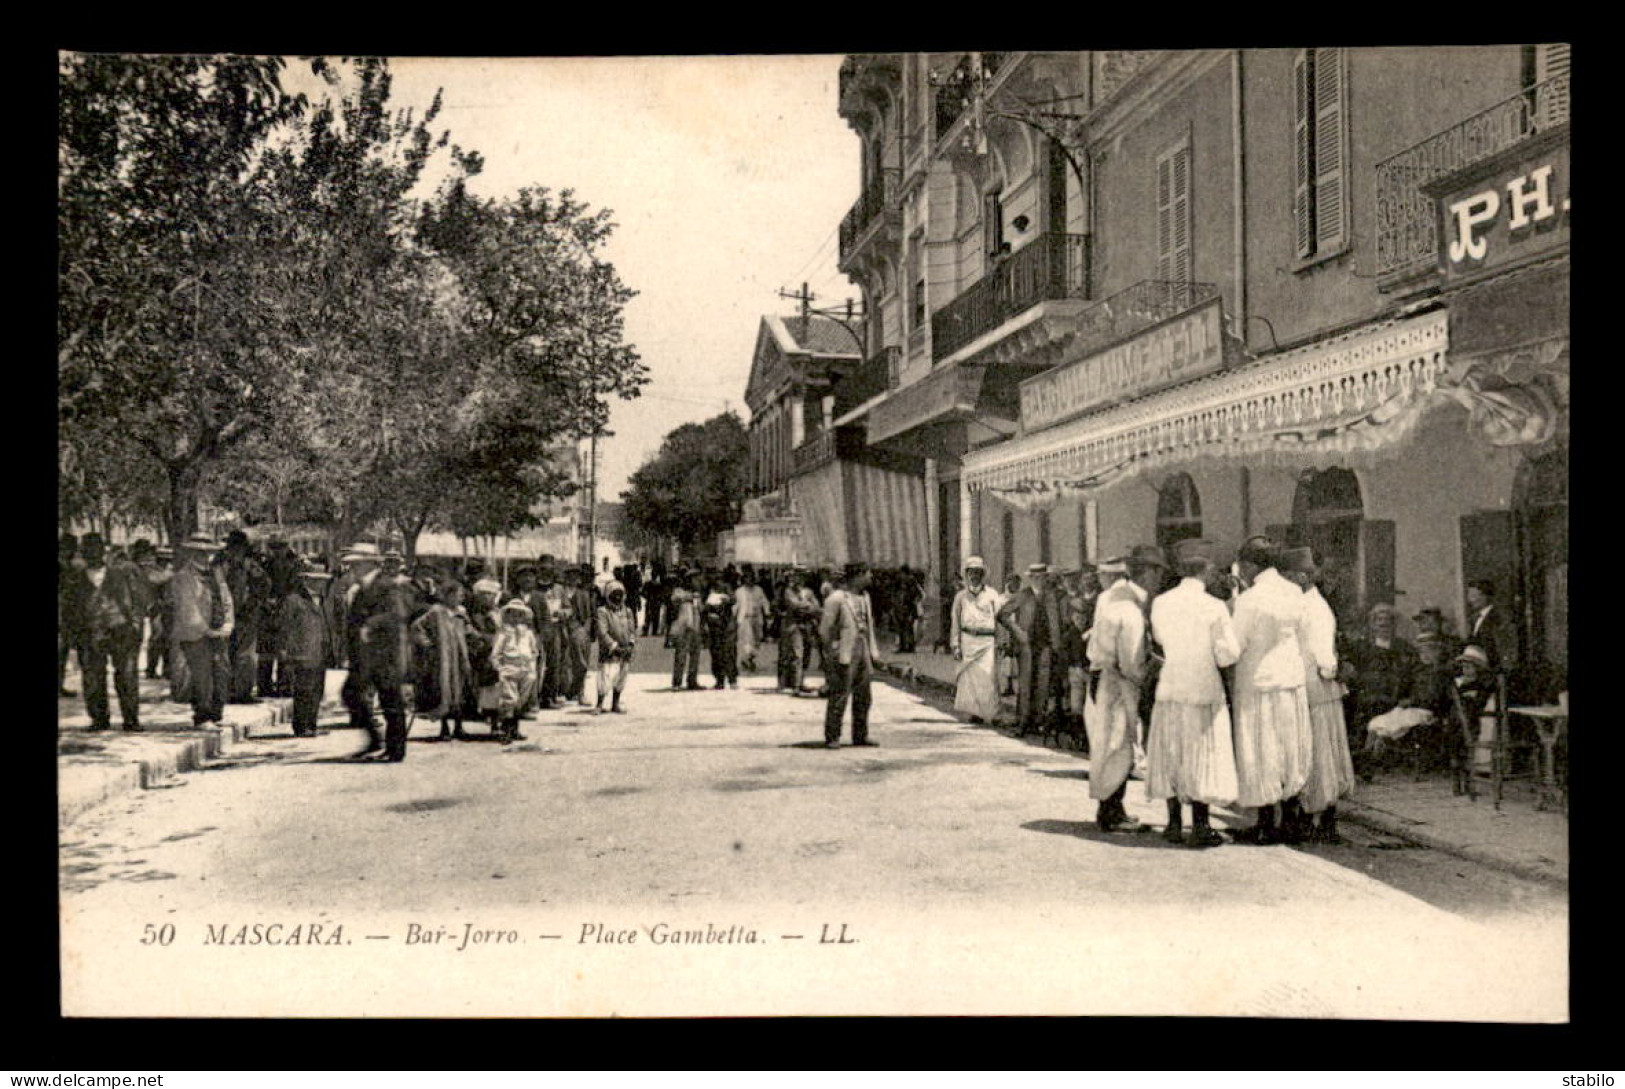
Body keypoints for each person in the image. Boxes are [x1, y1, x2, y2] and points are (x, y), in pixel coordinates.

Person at [1147, 539, 1240, 847]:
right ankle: (1201, 825)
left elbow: (1159, 639)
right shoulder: (1214, 607)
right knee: (1202, 753)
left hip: (1171, 684)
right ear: (1206, 569)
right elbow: (1227, 654)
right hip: (1203, 686)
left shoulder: (1161, 602)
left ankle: (1173, 824)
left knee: (1173, 750)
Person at [1230, 537, 1315, 845]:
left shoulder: (1250, 600)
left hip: (1259, 683)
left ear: (1250, 566)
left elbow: (1234, 646)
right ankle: (1291, 819)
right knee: (1290, 749)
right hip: (1291, 680)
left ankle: (1266, 823)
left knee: (1261, 751)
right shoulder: (1294, 593)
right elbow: (1305, 640)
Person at [1086, 545, 1164, 832]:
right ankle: (1110, 813)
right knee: (1119, 746)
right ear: (1148, 573)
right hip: (1120, 685)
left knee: (1112, 744)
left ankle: (1112, 807)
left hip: (1107, 679)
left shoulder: (1115, 601)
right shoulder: (1129, 610)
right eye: (1157, 573)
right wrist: (1153, 671)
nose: (1158, 581)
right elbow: (1131, 662)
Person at [1283, 547, 1356, 844]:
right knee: (1319, 756)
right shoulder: (1305, 604)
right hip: (1314, 690)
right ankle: (1317, 819)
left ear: (1302, 576)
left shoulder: (1314, 608)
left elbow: (1326, 658)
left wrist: (1330, 672)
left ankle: (1321, 820)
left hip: (1317, 691)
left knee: (1320, 756)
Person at [63, 532, 147, 732]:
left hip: (121, 632)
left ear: (103, 551)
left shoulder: (120, 575)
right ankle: (99, 719)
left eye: (96, 548)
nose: (92, 553)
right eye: (87, 549)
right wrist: (73, 637)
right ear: (82, 552)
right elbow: (68, 611)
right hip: (90, 635)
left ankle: (131, 719)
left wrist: (136, 626)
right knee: (93, 678)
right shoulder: (74, 580)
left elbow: (138, 602)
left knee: (127, 676)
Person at [348, 549, 414, 762]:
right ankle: (378, 741)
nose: (351, 569)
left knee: (391, 700)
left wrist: (370, 624)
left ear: (368, 564)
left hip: (386, 653)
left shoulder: (387, 585)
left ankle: (395, 749)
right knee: (352, 694)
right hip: (367, 654)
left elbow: (397, 614)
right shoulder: (365, 587)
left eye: (356, 564)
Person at [1344, 602, 1420, 780]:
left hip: (1394, 698)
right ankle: (1365, 759)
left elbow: (1413, 673)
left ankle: (1373, 757)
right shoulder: (1361, 647)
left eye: (1387, 622)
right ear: (1372, 624)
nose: (1383, 625)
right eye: (1379, 621)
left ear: (1393, 625)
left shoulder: (1404, 648)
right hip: (1366, 697)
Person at [169, 533, 234, 729]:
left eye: (207, 553)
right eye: (198, 553)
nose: (203, 557)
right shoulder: (183, 577)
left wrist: (228, 623)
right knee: (202, 675)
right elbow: (188, 608)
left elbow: (226, 599)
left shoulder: (216, 574)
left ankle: (216, 713)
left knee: (221, 672)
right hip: (196, 633)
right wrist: (206, 630)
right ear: (190, 554)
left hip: (218, 630)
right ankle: (202, 715)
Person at [820, 562, 883, 748]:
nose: (870, 578)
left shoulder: (865, 598)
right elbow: (825, 629)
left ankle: (860, 735)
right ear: (858, 575)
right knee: (840, 694)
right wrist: (832, 649)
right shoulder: (836, 599)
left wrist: (873, 651)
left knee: (864, 695)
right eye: (868, 574)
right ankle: (833, 735)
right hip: (845, 650)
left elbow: (869, 626)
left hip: (862, 648)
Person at [1000, 563, 1062, 739]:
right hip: (1027, 646)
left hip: (1046, 645)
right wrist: (1018, 631)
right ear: (1032, 578)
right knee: (1026, 684)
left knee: (1042, 684)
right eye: (1037, 577)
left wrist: (1056, 644)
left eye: (1043, 577)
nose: (1041, 580)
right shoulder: (1023, 595)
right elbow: (1002, 614)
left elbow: (1055, 621)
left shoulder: (1050, 596)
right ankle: (1023, 723)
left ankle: (1038, 722)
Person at [411, 580, 474, 741]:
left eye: (461, 595)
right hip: (443, 658)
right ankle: (444, 728)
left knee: (459, 691)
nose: (459, 598)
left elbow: (469, 631)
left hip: (460, 657)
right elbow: (417, 627)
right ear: (446, 595)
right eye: (456, 595)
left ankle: (459, 727)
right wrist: (427, 644)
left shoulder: (461, 612)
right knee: (445, 691)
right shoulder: (436, 612)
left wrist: (478, 640)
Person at [279, 566, 334, 738]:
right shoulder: (294, 600)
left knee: (317, 689)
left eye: (322, 580)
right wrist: (285, 651)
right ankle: (301, 726)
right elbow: (285, 627)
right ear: (306, 580)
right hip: (302, 651)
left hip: (319, 651)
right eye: (316, 579)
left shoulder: (322, 600)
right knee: (304, 690)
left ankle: (312, 724)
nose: (320, 583)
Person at [949, 557, 1005, 724]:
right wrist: (955, 645)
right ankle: (976, 713)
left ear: (983, 575)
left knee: (988, 678)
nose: (974, 576)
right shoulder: (960, 597)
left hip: (987, 642)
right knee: (970, 681)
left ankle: (993, 714)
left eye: (977, 573)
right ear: (966, 575)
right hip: (968, 641)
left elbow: (1000, 619)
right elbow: (955, 622)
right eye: (971, 573)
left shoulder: (992, 595)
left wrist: (1001, 642)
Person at [220, 530, 270, 703]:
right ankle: (229, 691)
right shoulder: (222, 565)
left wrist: (254, 602)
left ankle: (241, 692)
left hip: (244, 616)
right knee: (228, 654)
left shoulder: (248, 565)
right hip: (227, 615)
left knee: (244, 656)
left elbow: (264, 585)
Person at [491, 599, 539, 744]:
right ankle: (505, 730)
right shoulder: (504, 634)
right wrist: (499, 667)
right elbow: (496, 653)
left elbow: (534, 651)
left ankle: (515, 728)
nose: (516, 619)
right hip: (509, 668)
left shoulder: (528, 634)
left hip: (525, 669)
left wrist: (531, 667)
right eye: (513, 615)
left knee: (521, 700)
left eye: (520, 615)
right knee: (510, 699)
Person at [465, 579, 506, 738]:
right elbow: (473, 633)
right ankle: (493, 721)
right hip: (483, 655)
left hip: (501, 654)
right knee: (490, 689)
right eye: (483, 595)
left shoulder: (500, 613)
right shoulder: (474, 614)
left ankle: (505, 722)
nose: (487, 598)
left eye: (490, 594)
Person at [777, 568, 822, 695]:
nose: (799, 579)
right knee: (797, 654)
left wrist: (807, 606)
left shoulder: (809, 592)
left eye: (802, 576)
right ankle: (795, 684)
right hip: (794, 626)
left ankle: (800, 681)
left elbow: (817, 607)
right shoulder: (789, 591)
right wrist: (808, 606)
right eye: (797, 576)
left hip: (807, 626)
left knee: (806, 654)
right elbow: (795, 606)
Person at [595, 580, 637, 714]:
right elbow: (602, 632)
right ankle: (599, 704)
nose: (617, 597)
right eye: (614, 594)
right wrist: (614, 646)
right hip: (610, 651)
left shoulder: (628, 611)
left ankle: (615, 703)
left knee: (621, 676)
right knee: (605, 676)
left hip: (625, 650)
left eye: (620, 594)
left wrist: (630, 644)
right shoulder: (602, 611)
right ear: (608, 595)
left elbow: (632, 629)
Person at [1464, 578, 1518, 675]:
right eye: (1469, 595)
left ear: (1485, 596)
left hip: (1494, 672)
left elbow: (1504, 647)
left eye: (1473, 596)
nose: (1469, 600)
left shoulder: (1499, 618)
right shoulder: (1473, 619)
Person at [668, 572, 705, 691]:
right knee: (681, 655)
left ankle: (692, 681)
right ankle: (677, 682)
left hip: (695, 627)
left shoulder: (697, 595)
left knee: (695, 656)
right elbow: (674, 600)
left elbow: (701, 609)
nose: (698, 582)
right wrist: (689, 597)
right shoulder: (679, 591)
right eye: (695, 579)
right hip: (683, 628)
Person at [704, 574, 740, 689]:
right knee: (716, 654)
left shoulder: (727, 589)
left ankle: (732, 680)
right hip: (715, 628)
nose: (718, 583)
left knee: (729, 653)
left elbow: (733, 600)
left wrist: (725, 599)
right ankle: (719, 680)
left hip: (727, 628)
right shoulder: (708, 591)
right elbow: (704, 608)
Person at [59, 534, 82, 696]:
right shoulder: (62, 565)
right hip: (61, 613)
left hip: (66, 614)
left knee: (63, 652)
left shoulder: (68, 565)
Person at [735, 571, 770, 673]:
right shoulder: (739, 591)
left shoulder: (759, 590)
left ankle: (749, 658)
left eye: (751, 578)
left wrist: (767, 612)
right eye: (747, 578)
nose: (750, 580)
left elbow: (765, 601)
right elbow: (736, 604)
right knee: (747, 640)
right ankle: (747, 660)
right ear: (744, 579)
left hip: (757, 617)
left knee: (758, 639)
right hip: (745, 618)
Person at [894, 564, 924, 653]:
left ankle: (908, 646)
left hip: (909, 608)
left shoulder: (910, 581)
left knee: (907, 627)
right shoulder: (903, 581)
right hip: (904, 607)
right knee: (904, 627)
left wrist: (913, 602)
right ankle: (906, 646)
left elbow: (917, 594)